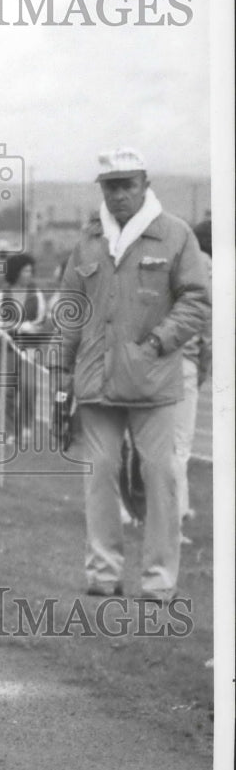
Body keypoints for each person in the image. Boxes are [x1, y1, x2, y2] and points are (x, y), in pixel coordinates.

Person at [56, 148, 210, 602]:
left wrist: (160, 342)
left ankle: (159, 581)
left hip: (154, 379)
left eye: (127, 184)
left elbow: (196, 300)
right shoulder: (87, 240)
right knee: (100, 471)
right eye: (110, 186)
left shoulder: (177, 235)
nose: (119, 194)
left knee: (160, 475)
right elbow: (69, 309)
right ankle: (103, 574)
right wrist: (61, 371)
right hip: (95, 379)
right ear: (101, 189)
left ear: (145, 183)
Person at [172, 219, 212, 543]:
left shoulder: (166, 264)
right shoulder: (204, 269)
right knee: (180, 447)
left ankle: (164, 514)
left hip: (156, 361)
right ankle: (174, 520)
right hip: (184, 359)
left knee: (158, 445)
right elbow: (205, 325)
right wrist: (204, 367)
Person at [0, 252, 47, 445]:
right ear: (16, 272)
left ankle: (27, 425)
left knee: (28, 387)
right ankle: (10, 430)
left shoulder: (36, 295)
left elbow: (40, 320)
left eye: (30, 271)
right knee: (8, 390)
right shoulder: (1, 295)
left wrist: (26, 326)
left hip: (29, 348)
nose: (28, 274)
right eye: (25, 271)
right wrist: (17, 326)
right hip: (7, 347)